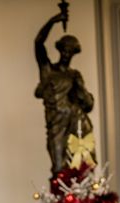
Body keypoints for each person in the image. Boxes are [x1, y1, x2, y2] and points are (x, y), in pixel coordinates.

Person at [35, 12, 95, 174]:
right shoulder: (48, 71)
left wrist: (80, 87)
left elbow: (88, 105)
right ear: (60, 50)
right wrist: (52, 21)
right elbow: (38, 43)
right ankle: (62, 199)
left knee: (81, 165)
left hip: (75, 121)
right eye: (64, 50)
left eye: (70, 52)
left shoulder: (74, 75)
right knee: (58, 167)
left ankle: (81, 198)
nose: (67, 55)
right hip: (56, 123)